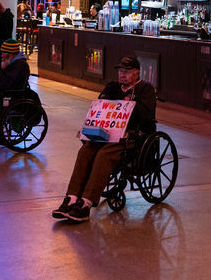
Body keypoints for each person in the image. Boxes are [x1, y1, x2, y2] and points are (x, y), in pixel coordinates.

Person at [53, 55, 157, 224]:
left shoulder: (145, 89)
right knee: (86, 150)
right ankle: (71, 198)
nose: (122, 75)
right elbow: (99, 105)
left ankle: (86, 203)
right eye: (120, 71)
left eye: (127, 72)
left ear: (137, 74)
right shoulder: (113, 87)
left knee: (104, 155)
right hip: (106, 133)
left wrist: (131, 103)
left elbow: (147, 117)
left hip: (130, 137)